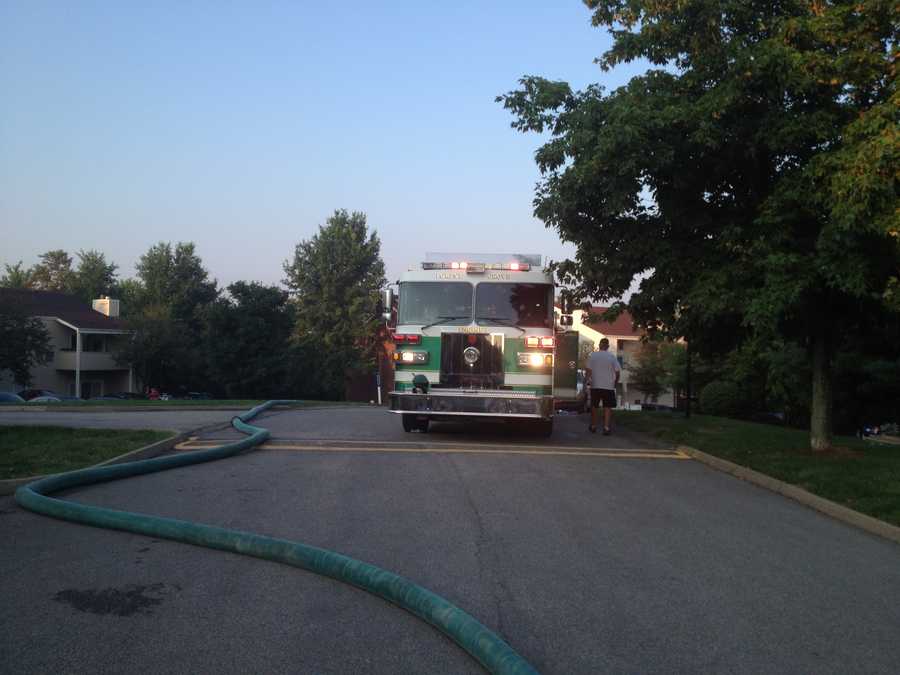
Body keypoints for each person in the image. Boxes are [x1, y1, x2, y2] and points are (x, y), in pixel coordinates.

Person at [585, 338, 620, 435]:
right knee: (608, 407)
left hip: (595, 385)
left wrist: (588, 382)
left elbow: (588, 370)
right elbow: (617, 372)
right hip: (608, 386)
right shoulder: (612, 357)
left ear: (599, 345)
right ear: (608, 346)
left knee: (594, 406)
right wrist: (615, 383)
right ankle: (606, 427)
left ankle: (593, 426)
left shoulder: (593, 356)